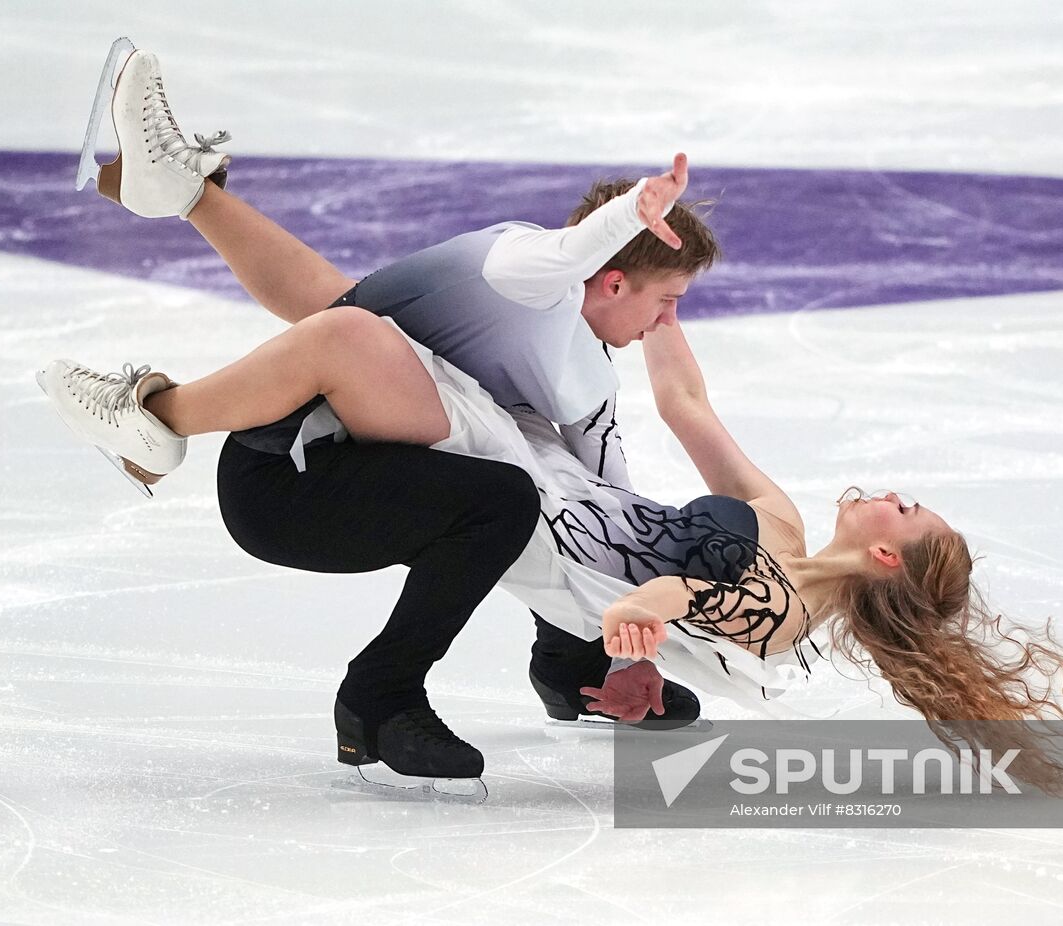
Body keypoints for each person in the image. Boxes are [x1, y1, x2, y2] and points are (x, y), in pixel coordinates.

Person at [48, 40, 721, 786]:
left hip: (352, 450)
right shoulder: (527, 273)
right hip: (287, 481)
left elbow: (600, 516)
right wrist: (635, 208)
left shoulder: (583, 384)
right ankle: (158, 419)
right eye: (668, 302)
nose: (667, 325)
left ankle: (568, 669)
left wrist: (621, 652)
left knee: (533, 475)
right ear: (617, 283)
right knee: (479, 465)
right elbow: (570, 256)